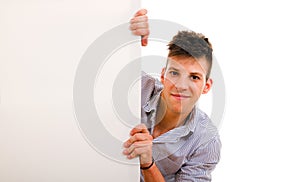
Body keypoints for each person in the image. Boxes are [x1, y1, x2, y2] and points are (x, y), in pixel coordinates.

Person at [123, 9, 221, 182]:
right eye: (175, 73)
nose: (181, 86)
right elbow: (100, 67)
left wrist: (147, 163)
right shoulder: (137, 86)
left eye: (194, 77)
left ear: (206, 86)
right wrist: (127, 35)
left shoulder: (206, 141)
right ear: (162, 75)